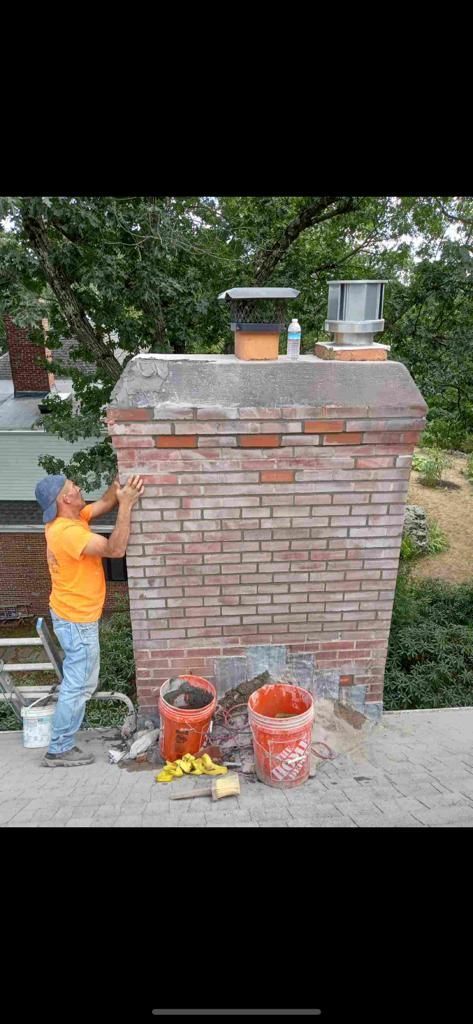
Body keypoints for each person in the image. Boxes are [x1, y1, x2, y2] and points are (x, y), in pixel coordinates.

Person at [34, 472, 144, 767]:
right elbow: (115, 549)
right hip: (76, 619)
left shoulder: (73, 518)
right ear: (64, 499)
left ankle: (62, 743)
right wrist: (128, 504)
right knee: (79, 685)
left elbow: (106, 501)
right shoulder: (67, 533)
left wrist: (119, 481)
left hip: (72, 614)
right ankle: (59, 748)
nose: (79, 487)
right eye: (73, 486)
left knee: (79, 682)